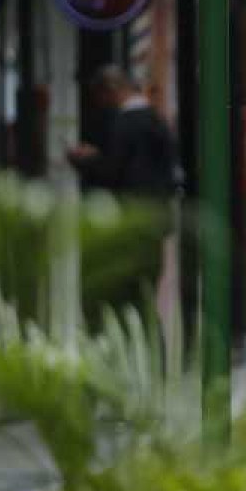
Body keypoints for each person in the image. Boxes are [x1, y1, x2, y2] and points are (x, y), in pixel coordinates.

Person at [69, 66, 178, 321]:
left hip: (130, 224)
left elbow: (113, 173)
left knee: (126, 300)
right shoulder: (157, 121)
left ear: (112, 90)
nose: (102, 105)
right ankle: (154, 353)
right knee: (147, 295)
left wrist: (85, 161)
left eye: (102, 97)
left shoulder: (123, 125)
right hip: (155, 222)